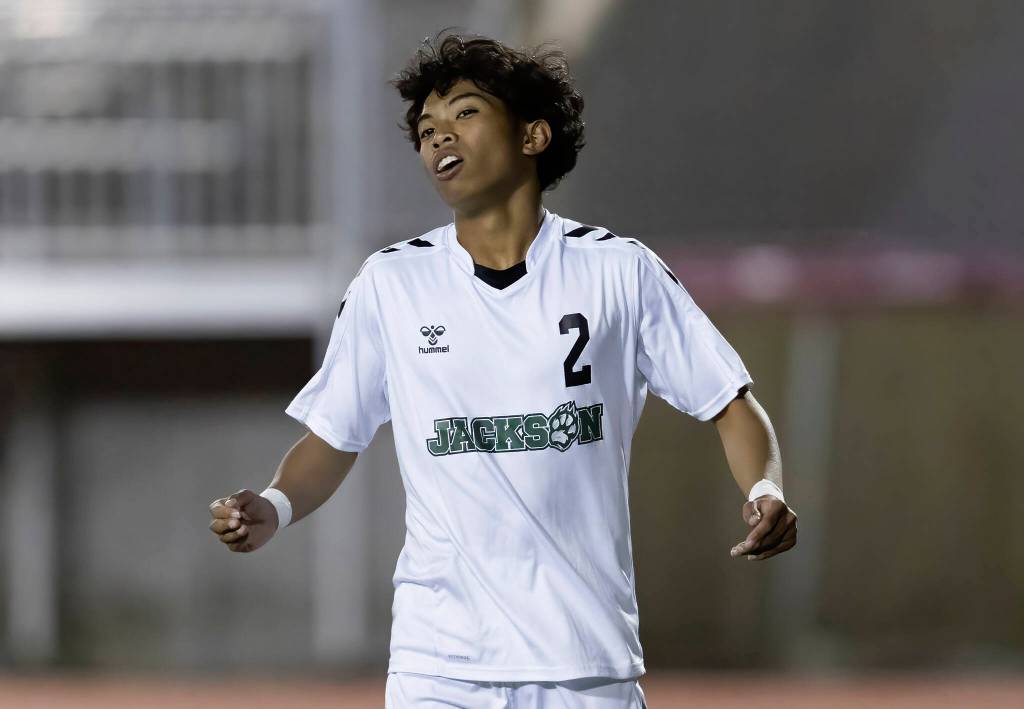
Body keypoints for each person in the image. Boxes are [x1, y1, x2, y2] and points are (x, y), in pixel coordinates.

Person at [208, 30, 797, 708]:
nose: (439, 135)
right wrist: (275, 505)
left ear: (533, 136)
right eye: (426, 129)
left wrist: (765, 487)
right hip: (439, 665)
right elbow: (333, 437)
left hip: (585, 662)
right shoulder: (390, 284)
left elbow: (728, 401)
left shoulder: (619, 271)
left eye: (464, 112)